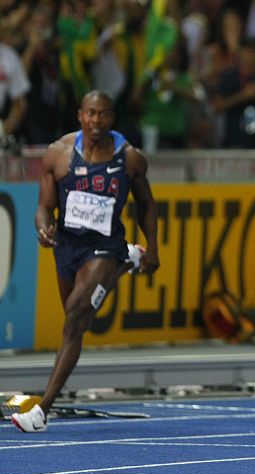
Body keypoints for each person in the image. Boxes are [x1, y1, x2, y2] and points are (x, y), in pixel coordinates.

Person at [10, 90, 160, 433]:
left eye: (103, 115)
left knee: (76, 317)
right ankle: (127, 261)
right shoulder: (57, 154)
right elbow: (43, 206)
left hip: (104, 246)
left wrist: (153, 246)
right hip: (67, 247)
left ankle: (42, 409)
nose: (96, 121)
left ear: (112, 118)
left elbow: (147, 204)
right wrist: (43, 227)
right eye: (90, 114)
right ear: (80, 116)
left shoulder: (130, 158)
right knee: (73, 323)